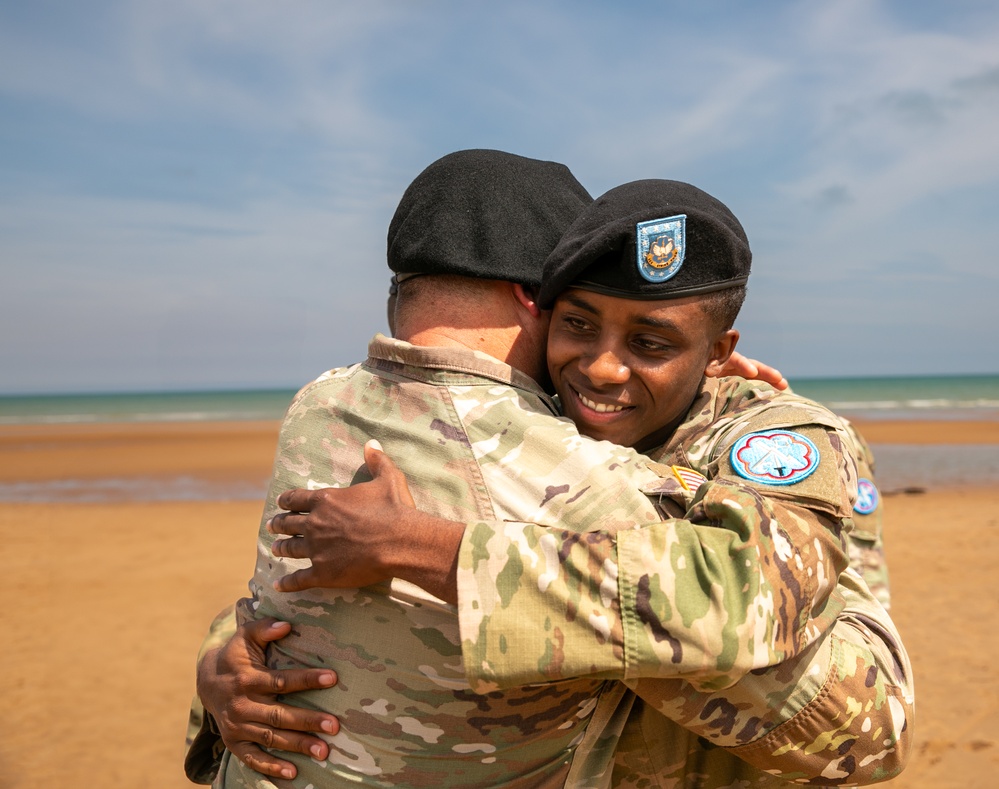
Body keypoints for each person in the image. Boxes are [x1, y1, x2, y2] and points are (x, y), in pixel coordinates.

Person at [194, 161, 912, 787]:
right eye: (577, 323)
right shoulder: (524, 431)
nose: (600, 366)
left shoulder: (773, 441)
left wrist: (432, 549)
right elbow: (330, 597)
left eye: (651, 341)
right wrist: (225, 661)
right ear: (536, 314)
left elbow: (870, 728)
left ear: (717, 353)